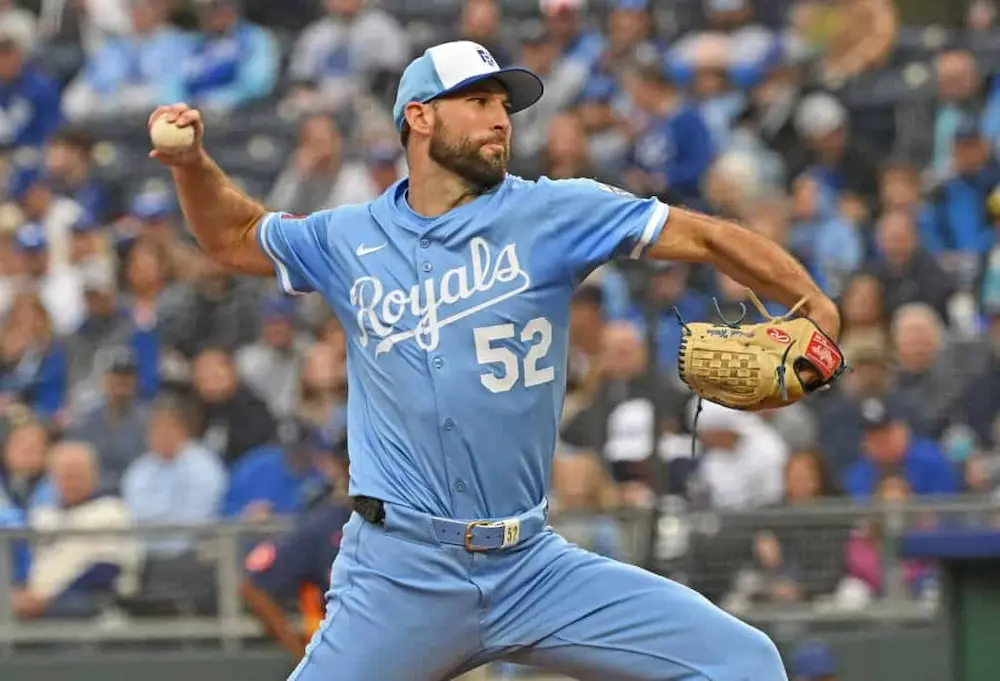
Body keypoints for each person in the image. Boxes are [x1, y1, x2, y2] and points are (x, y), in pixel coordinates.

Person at [149, 39, 841, 681]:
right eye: (477, 102)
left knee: (743, 662)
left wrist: (809, 296)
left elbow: (707, 237)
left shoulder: (555, 213)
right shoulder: (348, 236)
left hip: (532, 564)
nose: (499, 120)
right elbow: (236, 234)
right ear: (419, 116)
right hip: (401, 573)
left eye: (503, 106)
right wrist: (192, 166)